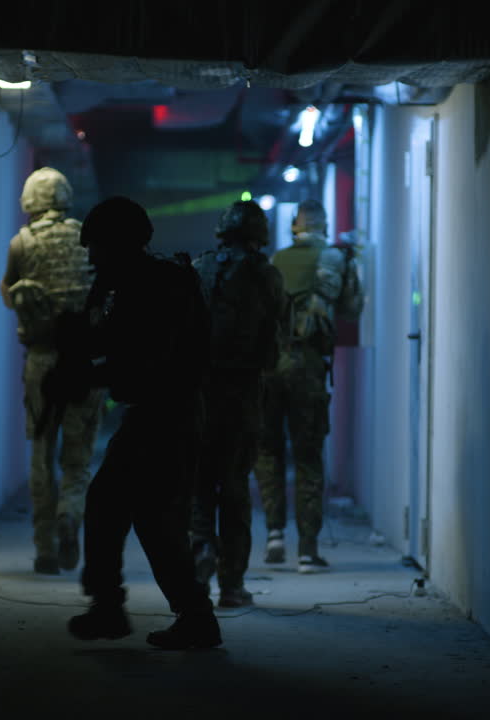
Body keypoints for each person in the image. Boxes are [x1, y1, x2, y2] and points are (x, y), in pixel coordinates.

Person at [49, 195, 222, 649]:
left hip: (169, 415)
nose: (93, 258)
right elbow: (117, 339)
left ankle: (163, 613)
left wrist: (90, 371)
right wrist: (80, 343)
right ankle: (136, 610)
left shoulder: (157, 286)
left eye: (98, 248)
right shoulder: (135, 285)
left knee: (139, 514)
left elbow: (148, 361)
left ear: (120, 244)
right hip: (157, 415)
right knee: (129, 511)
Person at [0, 167, 105, 576]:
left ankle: (44, 548)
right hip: (83, 365)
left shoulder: (22, 243)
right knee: (77, 460)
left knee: (42, 455)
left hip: (41, 363)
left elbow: (9, 295)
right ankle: (69, 515)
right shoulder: (86, 240)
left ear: (30, 201)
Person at [256, 199, 365, 573]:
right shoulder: (336, 259)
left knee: (268, 451)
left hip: (269, 367)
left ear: (294, 227)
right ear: (325, 225)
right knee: (307, 455)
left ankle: (273, 534)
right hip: (309, 368)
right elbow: (352, 309)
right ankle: (307, 550)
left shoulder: (275, 261)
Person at [189, 201, 284, 608]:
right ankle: (232, 584)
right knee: (234, 487)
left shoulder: (198, 268)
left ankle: (199, 557)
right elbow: (278, 337)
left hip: (199, 393)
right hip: (243, 393)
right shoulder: (266, 274)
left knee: (197, 483)